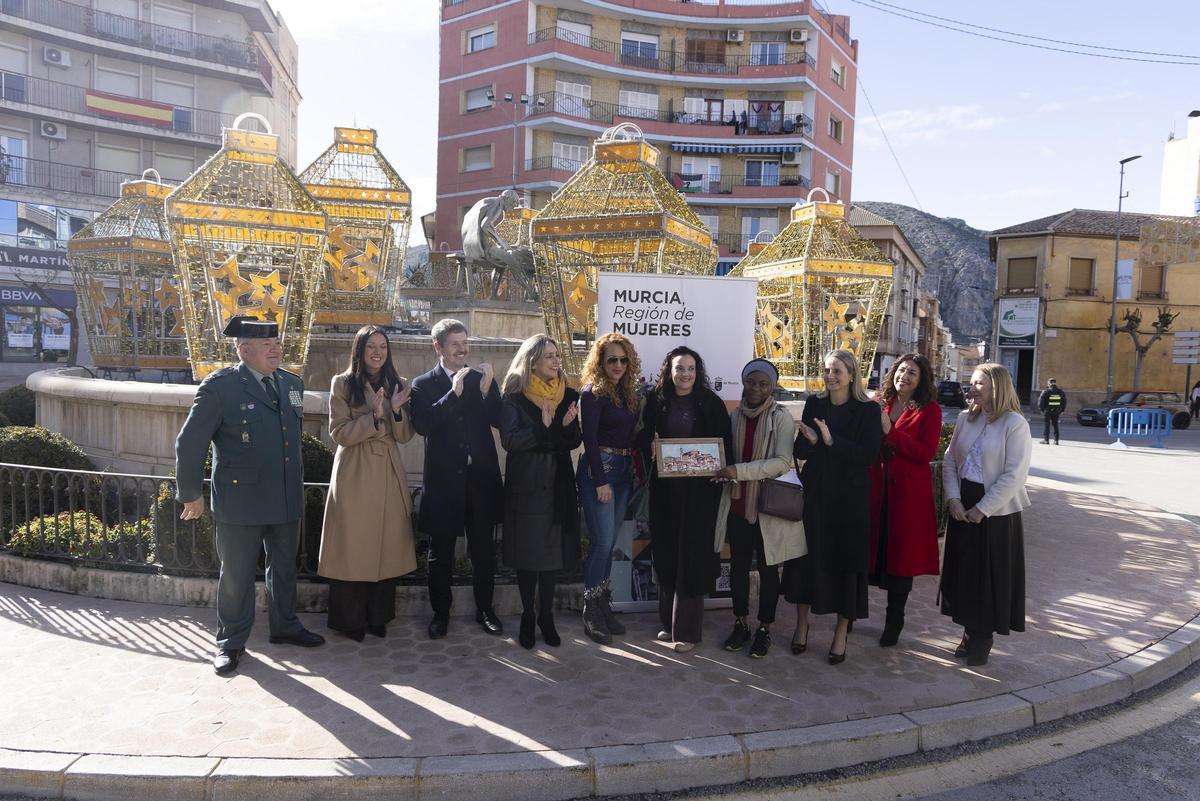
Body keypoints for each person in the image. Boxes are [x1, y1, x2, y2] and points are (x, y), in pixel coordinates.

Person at [175, 315, 325, 676]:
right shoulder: (221, 387)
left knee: (284, 568)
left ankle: (285, 625)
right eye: (267, 345)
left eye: (276, 343)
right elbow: (190, 443)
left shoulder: (291, 383)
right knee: (237, 575)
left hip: (285, 496)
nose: (276, 349)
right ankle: (230, 642)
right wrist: (190, 493)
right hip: (240, 502)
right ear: (244, 350)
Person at [782, 349, 882, 665]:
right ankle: (802, 625)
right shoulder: (815, 404)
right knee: (805, 560)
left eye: (837, 370)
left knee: (845, 566)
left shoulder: (868, 410)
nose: (830, 376)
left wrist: (830, 440)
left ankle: (841, 633)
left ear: (852, 375)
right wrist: (810, 440)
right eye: (827, 370)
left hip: (849, 502)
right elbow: (801, 450)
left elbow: (868, 455)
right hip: (816, 497)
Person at [318, 325, 416, 641]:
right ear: (359, 351)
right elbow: (339, 433)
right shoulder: (343, 384)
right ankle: (350, 621)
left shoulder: (397, 384)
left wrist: (397, 411)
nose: (377, 352)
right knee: (352, 545)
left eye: (382, 347)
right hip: (355, 472)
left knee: (386, 544)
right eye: (371, 346)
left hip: (387, 470)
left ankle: (378, 617)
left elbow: (404, 436)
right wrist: (373, 418)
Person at [409, 318, 504, 640]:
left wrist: (489, 389)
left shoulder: (481, 378)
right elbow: (422, 425)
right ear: (438, 347)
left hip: (480, 482)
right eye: (455, 344)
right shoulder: (423, 384)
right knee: (441, 555)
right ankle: (440, 614)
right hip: (444, 484)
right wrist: (453, 394)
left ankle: (485, 610)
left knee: (483, 552)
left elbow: (499, 419)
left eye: (465, 343)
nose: (463, 349)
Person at [640, 346, 732, 653]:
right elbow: (642, 438)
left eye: (691, 368)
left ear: (698, 371)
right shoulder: (656, 401)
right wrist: (649, 447)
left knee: (691, 560)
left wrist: (719, 470)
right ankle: (669, 623)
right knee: (667, 556)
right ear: (669, 369)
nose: (685, 374)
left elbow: (724, 447)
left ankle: (688, 633)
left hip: (700, 497)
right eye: (680, 368)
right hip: (666, 495)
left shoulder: (711, 402)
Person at [713, 359, 806, 659]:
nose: (755, 388)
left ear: (772, 387)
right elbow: (722, 453)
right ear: (743, 383)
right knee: (738, 568)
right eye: (751, 382)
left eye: (763, 384)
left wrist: (737, 471)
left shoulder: (781, 417)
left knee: (768, 571)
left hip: (767, 508)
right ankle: (740, 622)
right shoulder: (734, 415)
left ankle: (764, 628)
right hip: (739, 505)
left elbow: (781, 462)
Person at [940, 362, 1031, 667]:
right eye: (972, 382)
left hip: (996, 511)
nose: (971, 388)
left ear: (998, 387)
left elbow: (1014, 475)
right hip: (963, 502)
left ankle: (982, 636)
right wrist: (952, 498)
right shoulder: (967, 418)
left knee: (988, 577)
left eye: (980, 383)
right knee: (965, 573)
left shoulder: (1015, 424)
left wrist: (982, 509)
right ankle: (968, 630)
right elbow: (950, 459)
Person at [499, 335, 582, 649]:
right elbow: (511, 441)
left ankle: (546, 616)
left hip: (558, 485)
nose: (556, 361)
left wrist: (565, 425)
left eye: (557, 355)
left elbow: (572, 442)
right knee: (528, 557)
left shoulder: (568, 395)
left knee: (552, 556)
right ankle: (527, 616)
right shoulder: (514, 398)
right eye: (549, 356)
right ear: (532, 360)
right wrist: (541, 426)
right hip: (528, 487)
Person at [868, 354, 942, 648]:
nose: (905, 376)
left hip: (907, 497)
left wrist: (891, 432)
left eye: (913, 373)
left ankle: (894, 621)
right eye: (901, 370)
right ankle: (851, 615)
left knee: (900, 562)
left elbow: (925, 453)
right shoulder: (881, 403)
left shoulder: (930, 411)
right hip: (877, 489)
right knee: (872, 553)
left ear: (922, 379)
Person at [577, 333, 642, 645]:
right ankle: (591, 610)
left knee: (610, 542)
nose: (617, 365)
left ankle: (602, 604)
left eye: (622, 359)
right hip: (599, 470)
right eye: (611, 360)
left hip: (624, 471)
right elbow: (588, 439)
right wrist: (600, 479)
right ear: (600, 363)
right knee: (602, 543)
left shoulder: (627, 394)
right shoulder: (592, 394)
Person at [1037, 378, 1067, 445]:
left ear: (1049, 383)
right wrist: (1062, 410)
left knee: (1047, 425)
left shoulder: (1046, 391)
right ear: (1055, 383)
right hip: (1057, 411)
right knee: (1055, 424)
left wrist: (1041, 409)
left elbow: (1041, 402)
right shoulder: (1061, 392)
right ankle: (1056, 441)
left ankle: (1046, 440)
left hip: (1047, 411)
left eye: (1048, 383)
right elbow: (1064, 402)